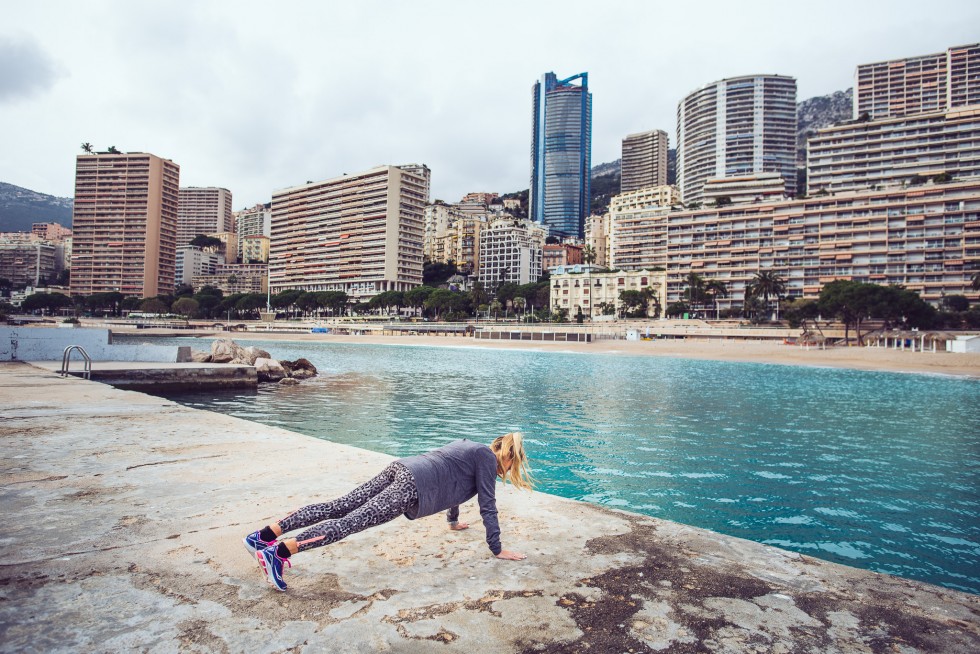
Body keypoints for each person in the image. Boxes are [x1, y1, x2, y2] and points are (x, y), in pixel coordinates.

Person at [243, 432, 534, 591]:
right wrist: (497, 548)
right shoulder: (486, 459)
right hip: (413, 487)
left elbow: (452, 482)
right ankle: (277, 554)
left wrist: (453, 521)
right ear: (508, 456)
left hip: (403, 468)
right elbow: (487, 505)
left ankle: (263, 536)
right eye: (513, 466)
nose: (508, 471)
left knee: (340, 506)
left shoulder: (470, 447)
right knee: (349, 522)